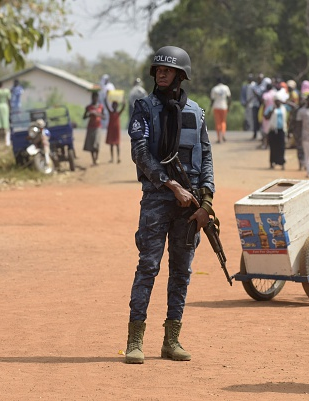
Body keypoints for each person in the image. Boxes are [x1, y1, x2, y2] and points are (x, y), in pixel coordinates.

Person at [124, 45, 215, 365]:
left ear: (180, 75)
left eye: (167, 70)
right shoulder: (144, 107)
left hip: (190, 203)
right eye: (157, 70)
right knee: (148, 266)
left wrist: (207, 200)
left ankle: (171, 340)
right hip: (157, 198)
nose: (160, 73)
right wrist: (170, 184)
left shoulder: (197, 111)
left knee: (181, 271)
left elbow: (206, 158)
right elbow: (140, 152)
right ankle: (135, 340)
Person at [264, 92, 288, 170]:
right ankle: (272, 162)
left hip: (281, 130)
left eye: (279, 101)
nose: (277, 102)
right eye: (276, 100)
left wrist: (286, 102)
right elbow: (266, 117)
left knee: (281, 147)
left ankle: (282, 163)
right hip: (273, 130)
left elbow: (295, 107)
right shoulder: (271, 108)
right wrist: (272, 111)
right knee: (273, 147)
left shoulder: (283, 108)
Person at [83, 92, 104, 166]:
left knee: (96, 143)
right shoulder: (88, 107)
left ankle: (97, 158)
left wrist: (97, 114)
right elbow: (84, 117)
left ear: (98, 98)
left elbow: (104, 117)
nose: (95, 99)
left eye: (96, 97)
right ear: (92, 98)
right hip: (90, 127)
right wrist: (89, 114)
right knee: (91, 144)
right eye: (94, 97)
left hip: (98, 127)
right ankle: (93, 159)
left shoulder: (101, 107)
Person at [210, 77, 232, 143]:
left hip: (216, 107)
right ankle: (223, 134)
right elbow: (229, 98)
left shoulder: (214, 89)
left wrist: (210, 108)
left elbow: (212, 100)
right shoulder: (226, 88)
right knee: (223, 122)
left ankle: (219, 138)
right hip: (224, 106)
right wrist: (229, 106)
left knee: (217, 123)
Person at [104, 97, 126, 163]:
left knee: (117, 144)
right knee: (111, 144)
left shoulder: (118, 113)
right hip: (111, 130)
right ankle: (112, 158)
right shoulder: (110, 112)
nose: (114, 106)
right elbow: (106, 106)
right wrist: (106, 99)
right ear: (112, 106)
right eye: (113, 105)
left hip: (116, 131)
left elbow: (123, 108)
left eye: (116, 105)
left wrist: (123, 102)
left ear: (117, 106)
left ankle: (118, 158)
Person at [247, 74, 263, 140]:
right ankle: (255, 134)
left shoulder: (263, 87)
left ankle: (262, 135)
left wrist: (256, 94)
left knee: (261, 120)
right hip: (255, 105)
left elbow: (260, 96)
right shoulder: (254, 86)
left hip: (262, 106)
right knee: (255, 120)